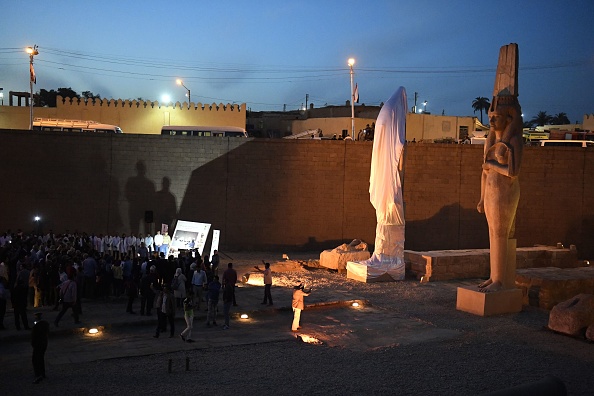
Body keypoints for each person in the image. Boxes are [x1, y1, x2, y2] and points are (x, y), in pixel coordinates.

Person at [476, 94, 523, 293]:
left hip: (505, 193)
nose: (492, 121)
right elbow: (484, 173)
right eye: (491, 117)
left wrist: (492, 164)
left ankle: (501, 281)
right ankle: (494, 277)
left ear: (509, 119)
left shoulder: (513, 140)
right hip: (490, 194)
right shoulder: (492, 140)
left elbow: (512, 171)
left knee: (500, 235)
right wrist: (481, 197)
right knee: (491, 235)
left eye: (497, 117)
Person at [31, 312, 50, 384]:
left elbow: (34, 336)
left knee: (36, 359)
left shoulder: (36, 326)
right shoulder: (46, 324)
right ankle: (42, 373)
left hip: (38, 343)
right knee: (41, 357)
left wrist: (33, 343)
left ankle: (38, 374)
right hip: (44, 343)